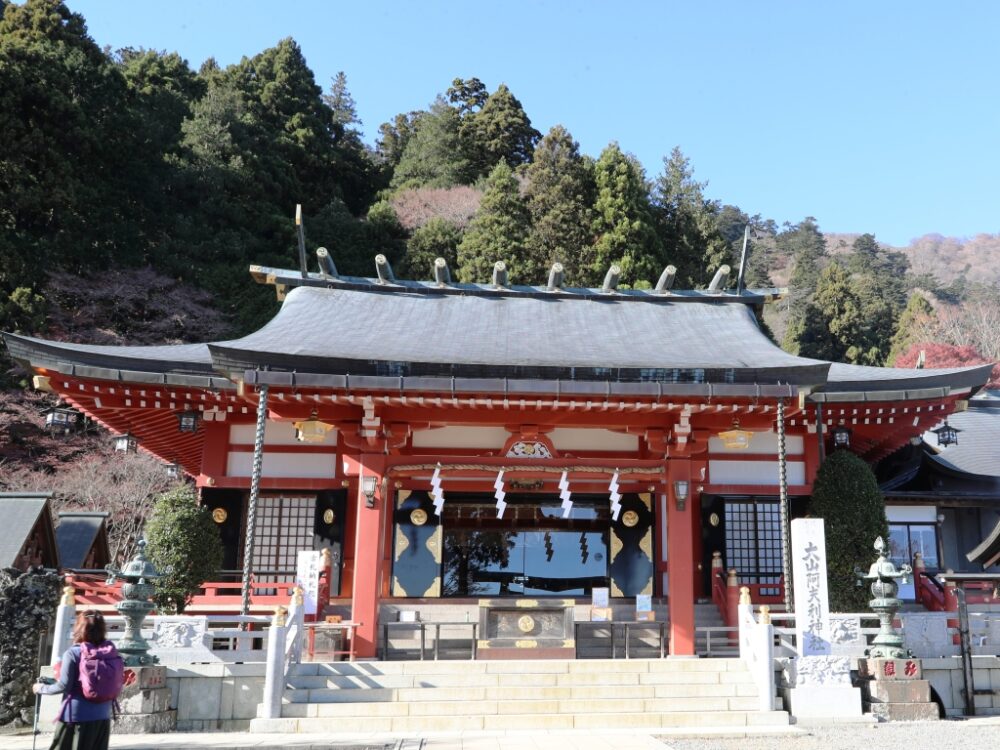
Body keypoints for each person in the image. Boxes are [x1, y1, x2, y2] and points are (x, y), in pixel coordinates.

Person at [33, 610, 115, 750]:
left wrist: (40, 688)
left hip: (76, 717)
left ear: (78, 628)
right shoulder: (109, 651)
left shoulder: (73, 653)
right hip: (103, 716)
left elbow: (64, 685)